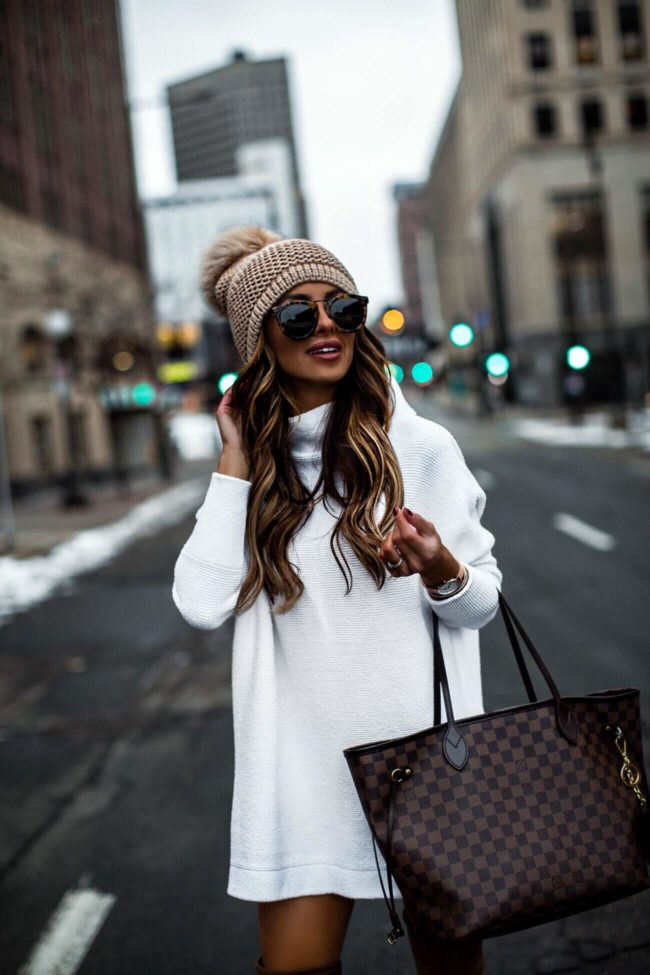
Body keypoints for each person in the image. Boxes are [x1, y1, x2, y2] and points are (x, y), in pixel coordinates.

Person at [172, 227, 501, 975]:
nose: (325, 326)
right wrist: (233, 460)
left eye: (341, 307)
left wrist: (442, 566)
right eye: (297, 315)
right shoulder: (251, 473)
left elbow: (478, 606)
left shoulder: (419, 448)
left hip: (428, 769)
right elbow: (200, 601)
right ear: (261, 340)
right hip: (302, 775)